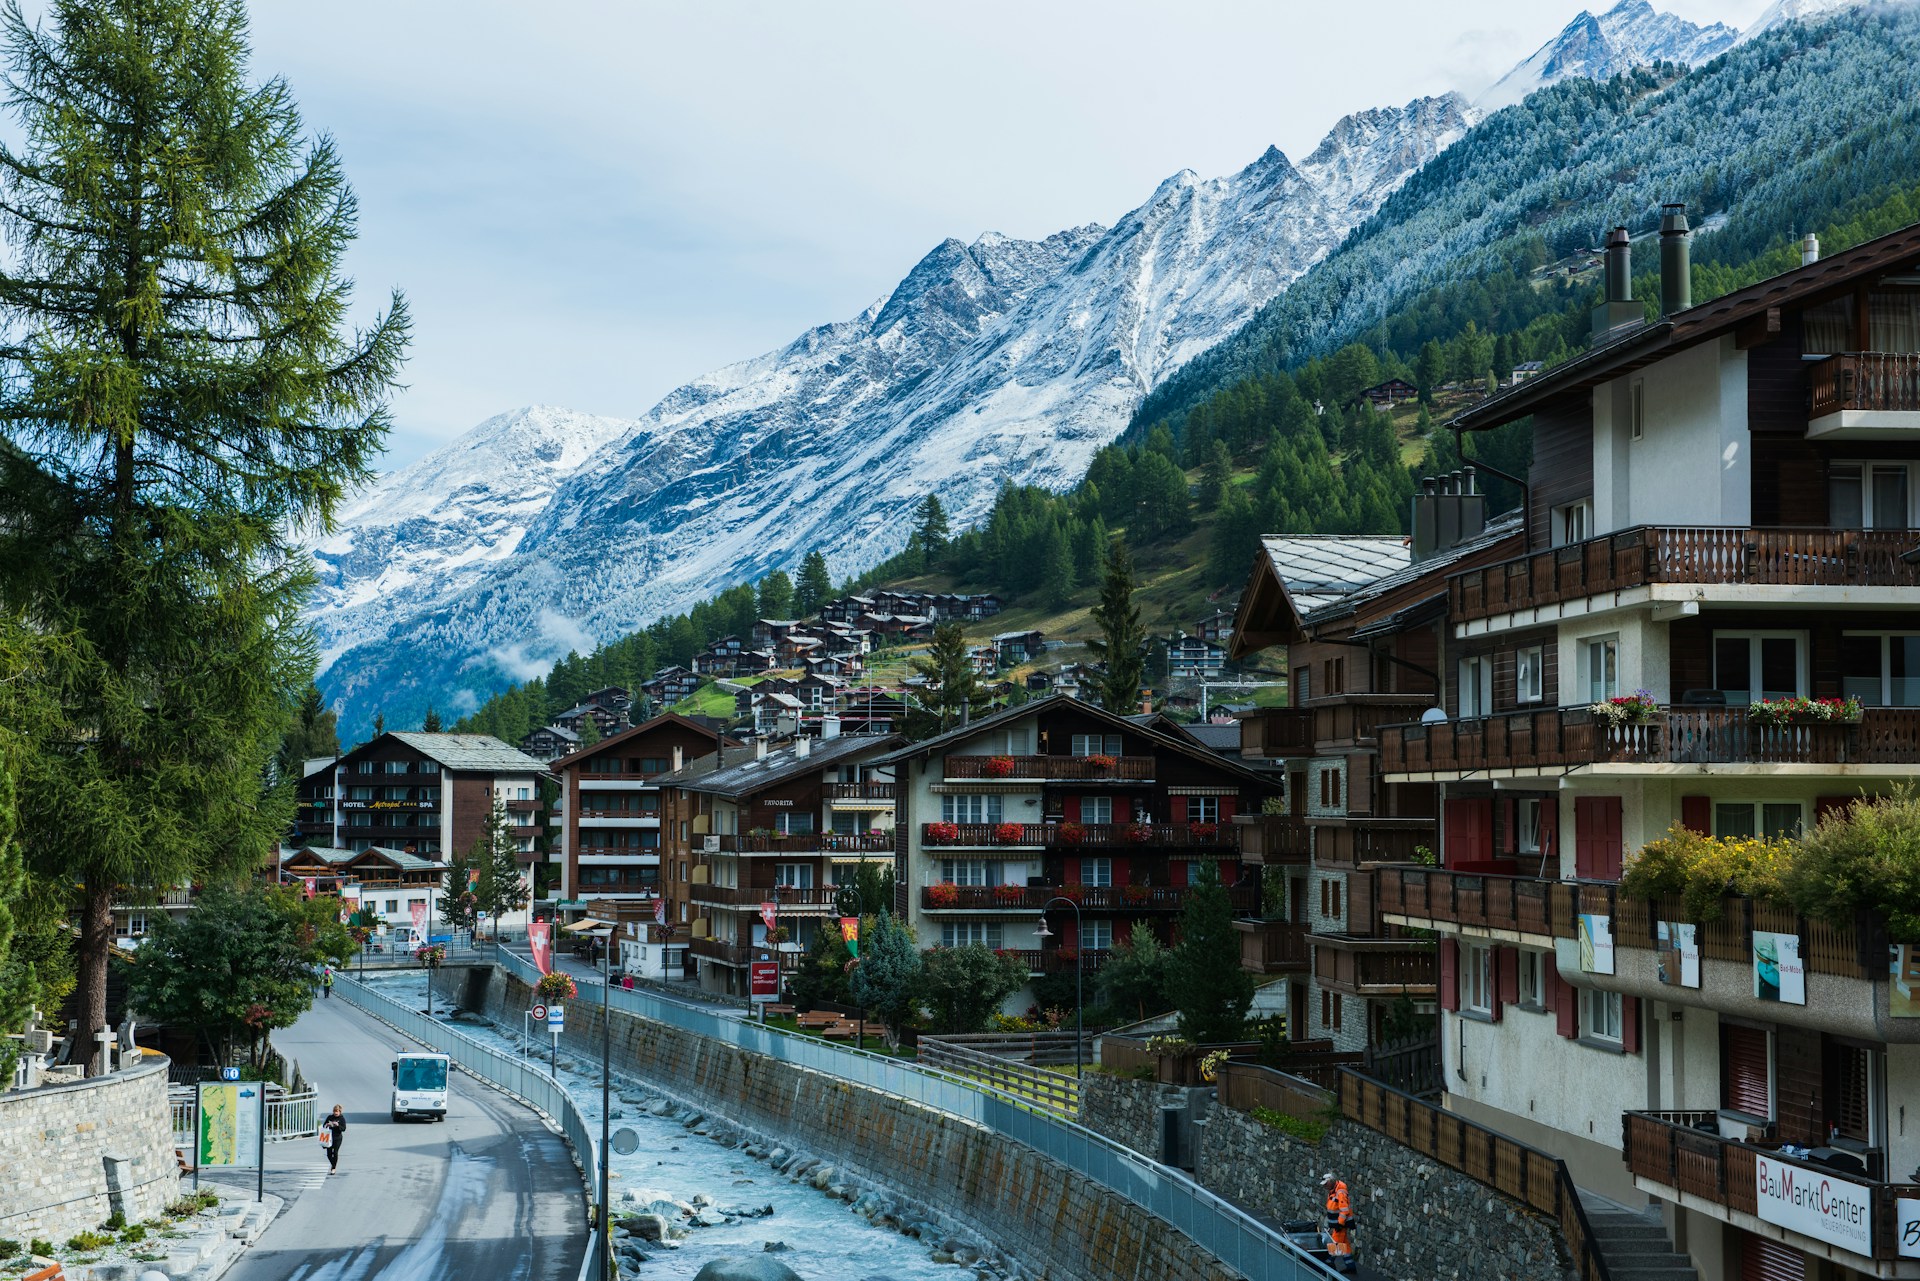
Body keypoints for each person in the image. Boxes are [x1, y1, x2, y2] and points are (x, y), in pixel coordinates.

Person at [1322, 1171, 1355, 1272]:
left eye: (1326, 1184)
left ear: (1331, 1182)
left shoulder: (1340, 1192)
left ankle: (1328, 1263)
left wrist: (1340, 1224)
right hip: (1338, 1223)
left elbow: (1344, 1210)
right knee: (1344, 1246)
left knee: (1335, 1243)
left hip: (1341, 1224)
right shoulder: (1334, 1190)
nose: (1325, 1187)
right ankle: (1351, 1267)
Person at [322, 1104, 347, 1174]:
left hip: (337, 1138)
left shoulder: (342, 1118)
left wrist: (338, 1125)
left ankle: (333, 1168)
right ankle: (333, 1165)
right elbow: (324, 1125)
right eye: (334, 1111)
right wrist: (327, 1124)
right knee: (329, 1154)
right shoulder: (330, 1117)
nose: (335, 1113)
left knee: (335, 1152)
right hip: (329, 1138)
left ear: (340, 1112)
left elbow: (344, 1128)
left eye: (337, 1111)